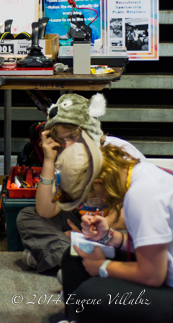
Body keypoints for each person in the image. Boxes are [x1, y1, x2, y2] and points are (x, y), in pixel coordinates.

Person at [52, 104, 173, 322]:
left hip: (161, 278)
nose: (98, 202)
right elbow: (156, 249)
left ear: (97, 181)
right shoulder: (136, 176)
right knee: (74, 258)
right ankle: (76, 318)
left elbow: (153, 275)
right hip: (163, 269)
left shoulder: (142, 194)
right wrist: (110, 237)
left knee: (91, 293)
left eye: (91, 195)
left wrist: (102, 267)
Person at [17, 93, 146, 273]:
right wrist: (48, 160)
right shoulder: (66, 154)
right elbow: (46, 211)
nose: (67, 146)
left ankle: (64, 257)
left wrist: (86, 233)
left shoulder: (117, 152)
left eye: (72, 136)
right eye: (61, 140)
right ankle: (75, 258)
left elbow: (133, 209)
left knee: (133, 238)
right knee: (27, 216)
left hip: (115, 226)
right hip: (83, 221)